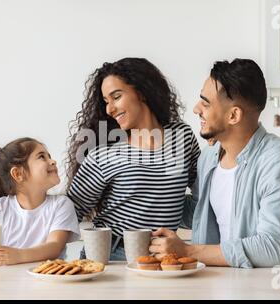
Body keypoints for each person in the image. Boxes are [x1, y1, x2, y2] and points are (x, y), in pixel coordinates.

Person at [149, 59, 280, 268]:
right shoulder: (209, 157)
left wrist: (187, 250)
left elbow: (273, 248)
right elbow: (199, 213)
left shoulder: (279, 162)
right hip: (220, 283)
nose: (197, 109)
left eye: (206, 103)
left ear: (233, 115)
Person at [66, 57, 200, 261]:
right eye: (106, 102)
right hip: (112, 256)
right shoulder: (104, 153)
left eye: (116, 97)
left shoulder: (182, 137)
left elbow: (200, 199)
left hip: (163, 257)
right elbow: (66, 214)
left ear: (141, 91)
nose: (110, 109)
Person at [0, 137, 80, 265]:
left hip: (45, 282)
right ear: (18, 174)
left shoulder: (61, 205)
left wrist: (18, 255)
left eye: (49, 156)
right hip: (4, 281)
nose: (53, 161)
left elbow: (54, 247)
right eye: (42, 157)